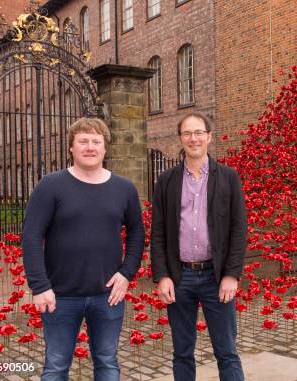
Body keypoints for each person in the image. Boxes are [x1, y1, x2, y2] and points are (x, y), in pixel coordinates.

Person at [22, 117, 145, 381]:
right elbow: (31, 236)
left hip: (107, 295)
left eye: (96, 142)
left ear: (105, 147)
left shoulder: (124, 188)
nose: (90, 147)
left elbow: (137, 232)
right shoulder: (51, 186)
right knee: (56, 366)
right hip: (59, 296)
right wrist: (40, 286)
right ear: (71, 147)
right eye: (83, 141)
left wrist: (127, 273)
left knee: (107, 363)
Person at [151, 112, 247, 381]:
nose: (193, 139)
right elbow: (158, 231)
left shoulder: (228, 177)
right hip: (179, 277)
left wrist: (231, 275)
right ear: (180, 138)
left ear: (209, 137)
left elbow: (239, 229)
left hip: (215, 277)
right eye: (187, 133)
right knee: (182, 352)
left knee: (226, 351)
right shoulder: (166, 181)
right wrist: (162, 276)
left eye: (199, 133)